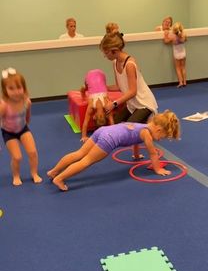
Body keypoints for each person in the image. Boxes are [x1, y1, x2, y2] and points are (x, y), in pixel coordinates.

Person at [47, 110, 180, 191]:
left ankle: (54, 171)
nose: (160, 139)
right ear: (158, 129)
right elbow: (152, 154)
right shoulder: (147, 134)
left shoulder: (143, 126)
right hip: (109, 139)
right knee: (86, 161)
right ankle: (60, 178)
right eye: (162, 137)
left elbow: (135, 141)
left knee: (79, 153)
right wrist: (158, 169)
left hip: (103, 130)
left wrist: (136, 155)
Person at [99, 31, 158, 158]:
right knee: (114, 123)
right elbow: (119, 86)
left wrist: (114, 104)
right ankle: (136, 155)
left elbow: (132, 91)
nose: (105, 56)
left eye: (106, 52)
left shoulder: (130, 64)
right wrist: (101, 88)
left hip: (144, 103)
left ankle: (151, 155)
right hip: (133, 104)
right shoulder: (114, 63)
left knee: (129, 129)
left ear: (114, 50)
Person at [0, 68, 42, 186]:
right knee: (17, 157)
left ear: (23, 87)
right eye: (11, 88)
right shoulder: (4, 105)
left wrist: (27, 123)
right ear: (5, 90)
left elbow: (27, 114)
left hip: (23, 129)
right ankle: (16, 175)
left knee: (33, 152)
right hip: (9, 132)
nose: (16, 91)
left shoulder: (26, 101)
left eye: (19, 87)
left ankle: (34, 173)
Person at [80, 69, 114, 142]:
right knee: (85, 88)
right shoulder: (92, 106)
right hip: (97, 75)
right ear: (94, 117)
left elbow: (111, 122)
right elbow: (112, 124)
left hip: (98, 75)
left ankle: (82, 93)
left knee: (84, 88)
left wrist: (84, 136)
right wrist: (84, 136)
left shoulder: (105, 105)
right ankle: (83, 92)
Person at [163, 22, 187, 87]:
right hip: (183, 53)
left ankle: (180, 82)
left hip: (176, 54)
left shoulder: (172, 36)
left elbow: (166, 41)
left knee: (178, 68)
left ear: (174, 30)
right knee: (183, 67)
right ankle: (185, 82)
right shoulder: (183, 35)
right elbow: (185, 39)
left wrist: (165, 34)